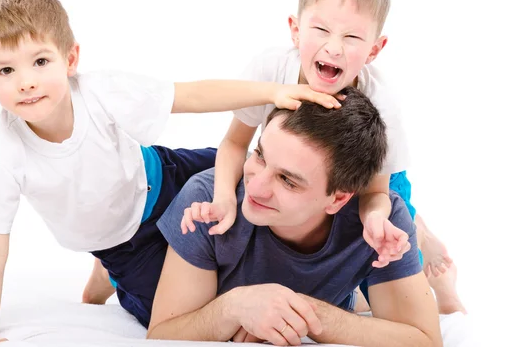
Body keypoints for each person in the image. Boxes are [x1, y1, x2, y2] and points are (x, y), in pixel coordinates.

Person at [0, 0, 334, 345]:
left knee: (262, 179)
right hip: (125, 241)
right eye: (5, 70)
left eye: (39, 61)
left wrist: (273, 91)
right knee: (179, 313)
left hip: (165, 176)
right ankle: (110, 278)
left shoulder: (99, 91)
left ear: (70, 59)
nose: (26, 82)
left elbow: (189, 97)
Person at [182, 0, 452, 279]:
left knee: (393, 245)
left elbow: (376, 192)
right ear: (295, 31)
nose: (334, 47)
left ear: (374, 50)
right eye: (321, 29)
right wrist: (224, 196)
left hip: (374, 178)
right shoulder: (271, 70)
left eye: (352, 37)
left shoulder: (381, 102)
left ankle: (426, 243)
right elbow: (234, 143)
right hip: (310, 179)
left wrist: (376, 217)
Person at [149, 87, 443, 346]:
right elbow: (162, 332)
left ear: (339, 198)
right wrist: (234, 306)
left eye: (288, 180)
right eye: (260, 155)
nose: (257, 186)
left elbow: (424, 340)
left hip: (336, 295)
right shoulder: (205, 202)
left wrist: (297, 310)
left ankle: (438, 276)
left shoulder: (378, 224)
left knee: (354, 301)